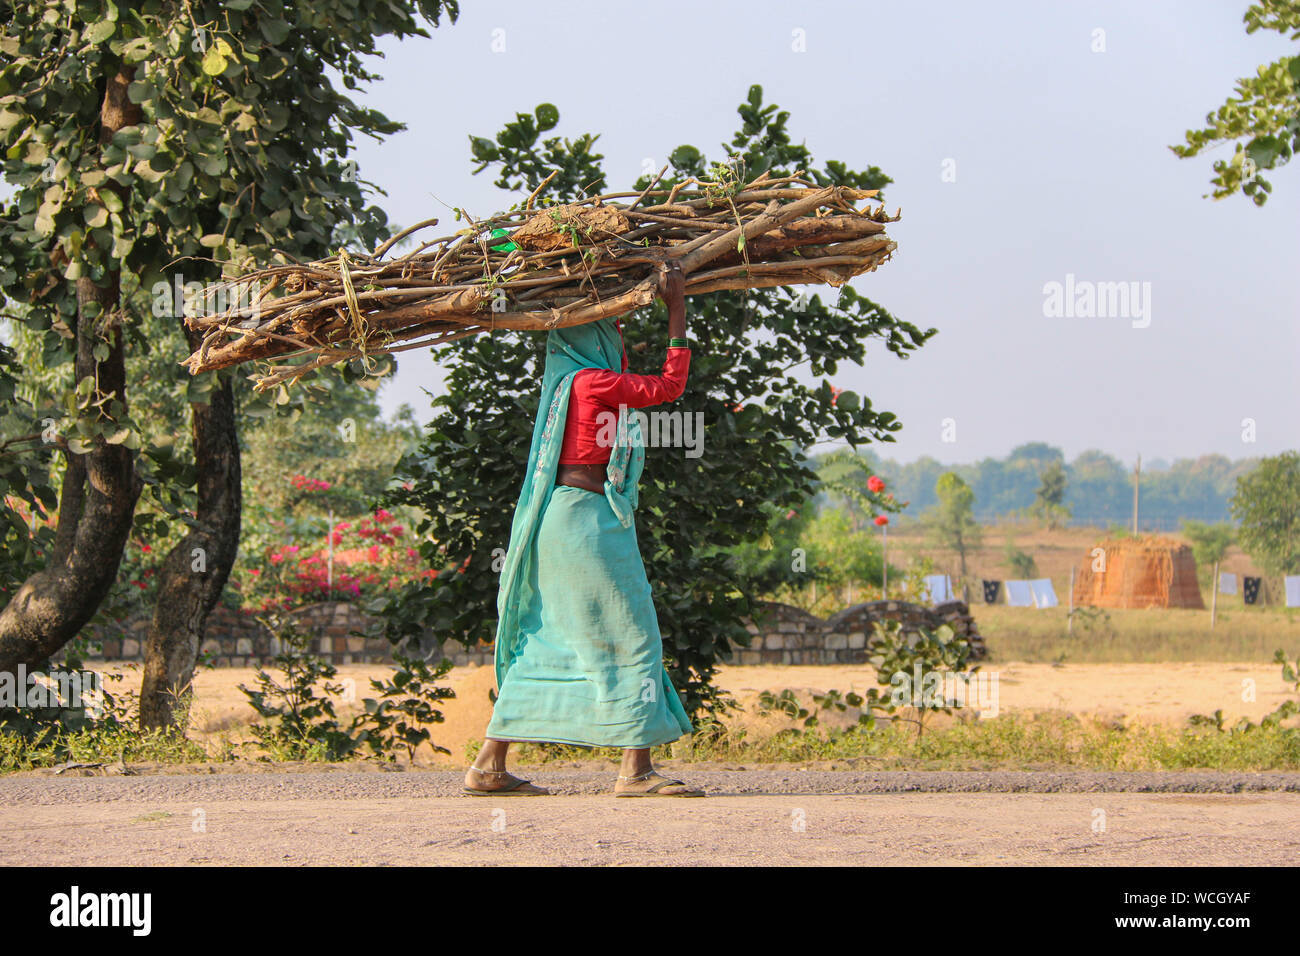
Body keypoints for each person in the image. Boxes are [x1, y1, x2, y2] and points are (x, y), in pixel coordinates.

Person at [463, 261, 702, 797]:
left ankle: (489, 764)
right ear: (590, 337)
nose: (616, 342)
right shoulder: (594, 381)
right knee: (633, 631)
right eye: (609, 331)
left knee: (546, 635)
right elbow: (669, 385)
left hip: (563, 517)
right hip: (589, 520)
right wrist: (677, 309)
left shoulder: (567, 382)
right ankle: (635, 772)